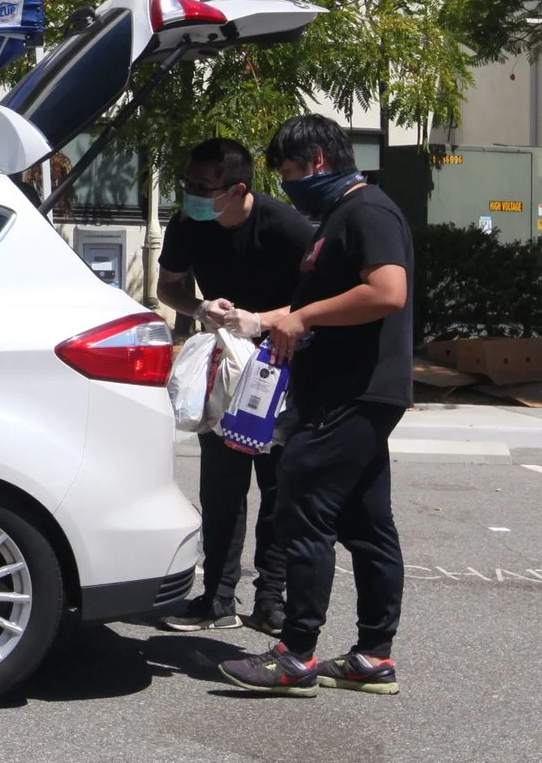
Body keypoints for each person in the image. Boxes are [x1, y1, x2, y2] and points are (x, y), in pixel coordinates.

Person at [217, 114, 414, 698]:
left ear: (317, 162)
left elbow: (387, 291)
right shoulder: (337, 217)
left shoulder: (367, 211)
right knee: (366, 522)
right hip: (348, 390)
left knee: (301, 509)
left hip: (350, 392)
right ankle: (373, 656)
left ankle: (295, 654)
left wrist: (302, 317)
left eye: (287, 171)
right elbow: (316, 306)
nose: (286, 185)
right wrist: (253, 321)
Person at [150, 137, 313, 637]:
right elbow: (168, 287)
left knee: (279, 487)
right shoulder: (187, 224)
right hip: (223, 367)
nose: (191, 194)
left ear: (238, 189)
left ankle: (271, 601)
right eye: (187, 183)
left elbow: (320, 300)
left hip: (282, 366)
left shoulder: (286, 227)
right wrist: (199, 308)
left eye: (203, 187)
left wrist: (260, 319)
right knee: (221, 486)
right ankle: (217, 598)